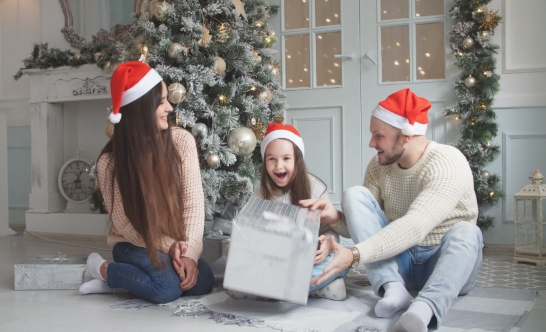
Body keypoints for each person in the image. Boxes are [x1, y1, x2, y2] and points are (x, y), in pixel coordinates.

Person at [312, 89, 483, 332]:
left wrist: (353, 255)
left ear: (406, 136)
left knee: (467, 232)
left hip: (443, 264)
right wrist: (337, 219)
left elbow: (415, 226)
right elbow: (367, 229)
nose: (372, 144)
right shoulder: (379, 166)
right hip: (400, 262)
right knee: (354, 194)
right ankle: (393, 289)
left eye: (378, 136)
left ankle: (424, 309)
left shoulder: (448, 163)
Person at [78, 61, 214, 303]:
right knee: (167, 288)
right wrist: (170, 246)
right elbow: (126, 225)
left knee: (202, 281)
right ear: (141, 108)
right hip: (132, 243)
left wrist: (189, 254)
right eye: (161, 102)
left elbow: (194, 207)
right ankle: (100, 269)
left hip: (174, 245)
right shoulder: (110, 162)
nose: (170, 108)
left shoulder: (181, 142)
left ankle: (124, 282)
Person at [227, 123, 350, 301]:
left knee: (337, 263)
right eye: (272, 159)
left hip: (306, 261)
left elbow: (329, 229)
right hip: (273, 263)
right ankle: (307, 287)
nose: (279, 166)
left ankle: (282, 288)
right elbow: (246, 235)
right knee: (235, 287)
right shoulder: (259, 195)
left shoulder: (315, 188)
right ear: (265, 161)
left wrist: (328, 243)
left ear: (297, 160)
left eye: (286, 158)